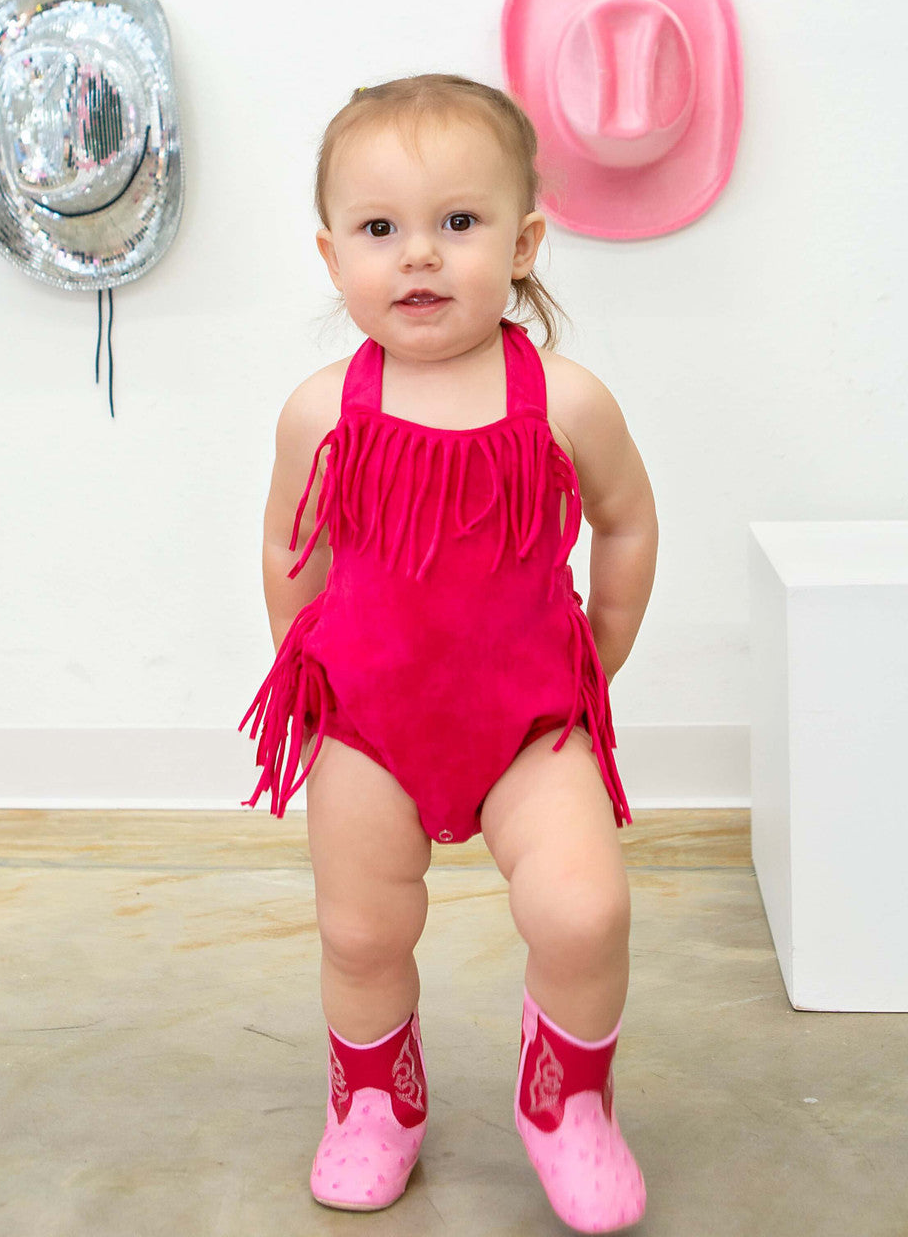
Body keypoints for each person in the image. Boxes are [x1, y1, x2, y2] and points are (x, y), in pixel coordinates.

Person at [240, 74, 658, 1234]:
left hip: (529, 722)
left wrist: (599, 658)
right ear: (333, 256)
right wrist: (310, 677)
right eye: (381, 230)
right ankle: (375, 1095)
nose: (418, 257)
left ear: (524, 241)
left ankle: (568, 1098)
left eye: (458, 223)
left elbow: (627, 521)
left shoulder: (566, 399)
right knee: (363, 931)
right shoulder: (322, 411)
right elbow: (290, 543)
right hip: (371, 722)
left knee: (585, 910)